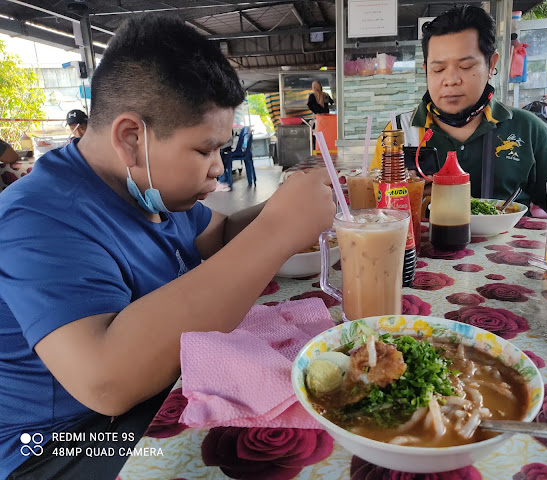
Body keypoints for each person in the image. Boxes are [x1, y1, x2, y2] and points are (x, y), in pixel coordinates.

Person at [0, 15, 335, 480]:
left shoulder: (150, 187)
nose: (218, 168)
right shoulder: (36, 219)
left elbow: (216, 236)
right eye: (204, 151)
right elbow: (105, 381)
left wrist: (288, 208)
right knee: (267, 452)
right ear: (132, 138)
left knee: (319, 399)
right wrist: (276, 231)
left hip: (151, 392)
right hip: (59, 442)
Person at [371, 5, 547, 212]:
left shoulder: (528, 130)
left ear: (491, 65)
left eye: (465, 67)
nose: (451, 80)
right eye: (438, 69)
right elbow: (373, 211)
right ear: (426, 70)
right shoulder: (397, 132)